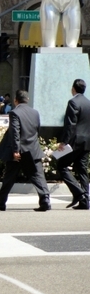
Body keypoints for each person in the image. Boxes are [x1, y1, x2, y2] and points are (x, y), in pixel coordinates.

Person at [0, 90, 51, 212]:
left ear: (16, 100)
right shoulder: (35, 112)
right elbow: (38, 129)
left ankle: (2, 201)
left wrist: (16, 150)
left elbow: (15, 132)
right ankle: (44, 200)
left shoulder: (15, 112)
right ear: (27, 100)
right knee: (35, 175)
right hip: (33, 149)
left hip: (20, 151)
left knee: (13, 175)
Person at [56, 79, 90, 210]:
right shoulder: (88, 103)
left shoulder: (73, 102)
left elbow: (70, 124)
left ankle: (78, 193)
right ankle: (85, 201)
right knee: (82, 170)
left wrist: (64, 142)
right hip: (87, 142)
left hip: (75, 142)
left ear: (73, 89)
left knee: (61, 165)